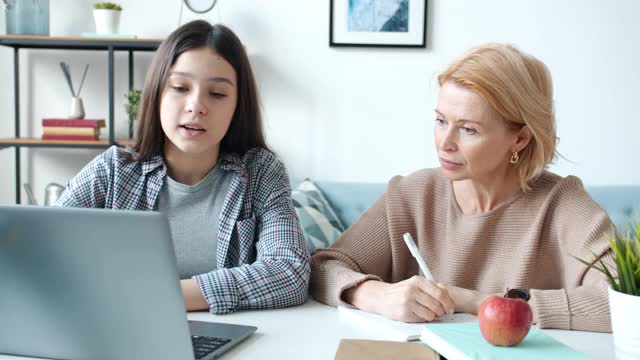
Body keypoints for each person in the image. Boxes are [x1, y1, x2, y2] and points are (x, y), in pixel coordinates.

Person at [310, 43, 615, 332]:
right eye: (441, 121)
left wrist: (476, 302)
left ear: (520, 139)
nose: (445, 142)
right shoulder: (411, 194)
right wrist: (375, 295)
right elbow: (322, 268)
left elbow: (623, 301)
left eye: (468, 129)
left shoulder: (562, 204)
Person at [56, 20, 310, 314]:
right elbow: (45, 250)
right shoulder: (112, 171)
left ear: (237, 107)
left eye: (217, 94)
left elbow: (290, 272)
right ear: (157, 93)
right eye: (180, 87)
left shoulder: (261, 171)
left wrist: (160, 296)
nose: (196, 106)